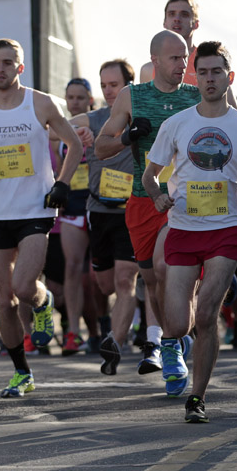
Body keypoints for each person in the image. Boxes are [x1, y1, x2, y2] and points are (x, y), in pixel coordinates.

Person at [142, 41, 237, 422]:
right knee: (176, 324)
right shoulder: (177, 124)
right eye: (203, 72)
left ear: (228, 77)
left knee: (205, 317)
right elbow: (149, 175)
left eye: (217, 71)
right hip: (183, 227)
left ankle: (197, 398)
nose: (210, 78)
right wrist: (156, 197)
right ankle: (181, 338)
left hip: (226, 228)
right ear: (194, 77)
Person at [0, 38, 83, 397]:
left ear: (19, 68)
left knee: (23, 287)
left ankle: (43, 302)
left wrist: (62, 184)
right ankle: (21, 372)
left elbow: (75, 144)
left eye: (7, 62)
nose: (0, 69)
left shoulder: (41, 103)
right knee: (5, 300)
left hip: (35, 207)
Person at [94, 30, 201, 385]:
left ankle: (170, 344)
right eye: (174, 58)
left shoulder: (196, 95)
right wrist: (127, 137)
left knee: (165, 266)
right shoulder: (132, 96)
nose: (182, 65)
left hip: (185, 199)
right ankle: (175, 337)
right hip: (142, 200)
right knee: (152, 282)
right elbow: (101, 147)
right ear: (155, 60)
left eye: (185, 58)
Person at [74, 60, 141, 374]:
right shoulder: (98, 117)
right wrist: (78, 131)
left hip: (132, 210)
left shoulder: (141, 116)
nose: (108, 91)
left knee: (125, 278)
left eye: (114, 85)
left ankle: (115, 341)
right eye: (103, 85)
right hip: (99, 210)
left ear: (129, 85)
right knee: (104, 285)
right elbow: (52, 129)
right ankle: (126, 317)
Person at [58, 77, 97, 355]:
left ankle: (101, 326)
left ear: (89, 101)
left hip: (99, 203)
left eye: (80, 98)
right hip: (72, 205)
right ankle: (73, 331)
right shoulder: (60, 130)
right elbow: (61, 169)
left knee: (98, 276)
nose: (74, 103)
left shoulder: (102, 122)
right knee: (72, 269)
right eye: (70, 98)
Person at [140, 0, 201, 84]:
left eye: (184, 14)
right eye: (171, 14)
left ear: (196, 24)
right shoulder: (149, 70)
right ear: (164, 23)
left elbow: (226, 97)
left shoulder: (208, 65)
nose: (177, 19)